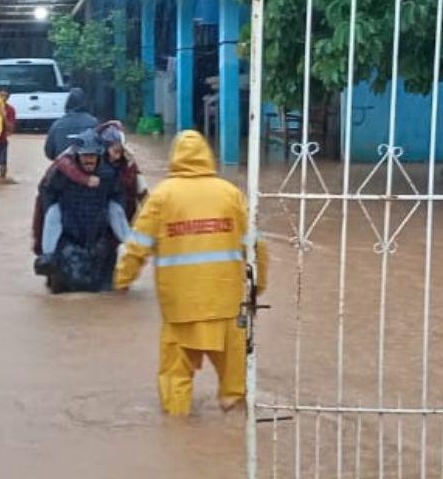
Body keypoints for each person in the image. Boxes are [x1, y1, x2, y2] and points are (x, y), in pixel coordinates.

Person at [114, 130, 269, 415]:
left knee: (175, 382)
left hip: (180, 311)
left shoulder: (161, 197)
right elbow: (256, 246)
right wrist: (258, 287)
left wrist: (122, 279)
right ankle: (232, 438)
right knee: (235, 388)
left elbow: (138, 246)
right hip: (227, 306)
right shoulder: (230, 194)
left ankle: (178, 442)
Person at [34, 130, 130, 292]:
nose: (89, 159)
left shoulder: (109, 175)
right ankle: (48, 255)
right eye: (85, 155)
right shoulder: (60, 174)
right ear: (77, 156)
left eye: (92, 155)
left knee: (105, 288)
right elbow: (46, 195)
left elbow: (120, 201)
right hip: (68, 233)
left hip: (98, 235)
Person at [96, 121, 148, 220]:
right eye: (115, 151)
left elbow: (144, 196)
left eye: (120, 151)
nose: (117, 156)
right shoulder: (96, 167)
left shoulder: (130, 164)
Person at [44, 87, 99, 160]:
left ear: (67, 103)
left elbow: (49, 152)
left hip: (63, 167)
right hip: (87, 169)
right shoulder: (94, 122)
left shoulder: (57, 125)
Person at [0, 88, 16, 181]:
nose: (3, 98)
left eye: (5, 96)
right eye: (1, 95)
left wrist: (3, 116)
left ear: (8, 97)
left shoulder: (10, 110)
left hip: (2, 140)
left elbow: (10, 128)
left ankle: (2, 179)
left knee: (3, 164)